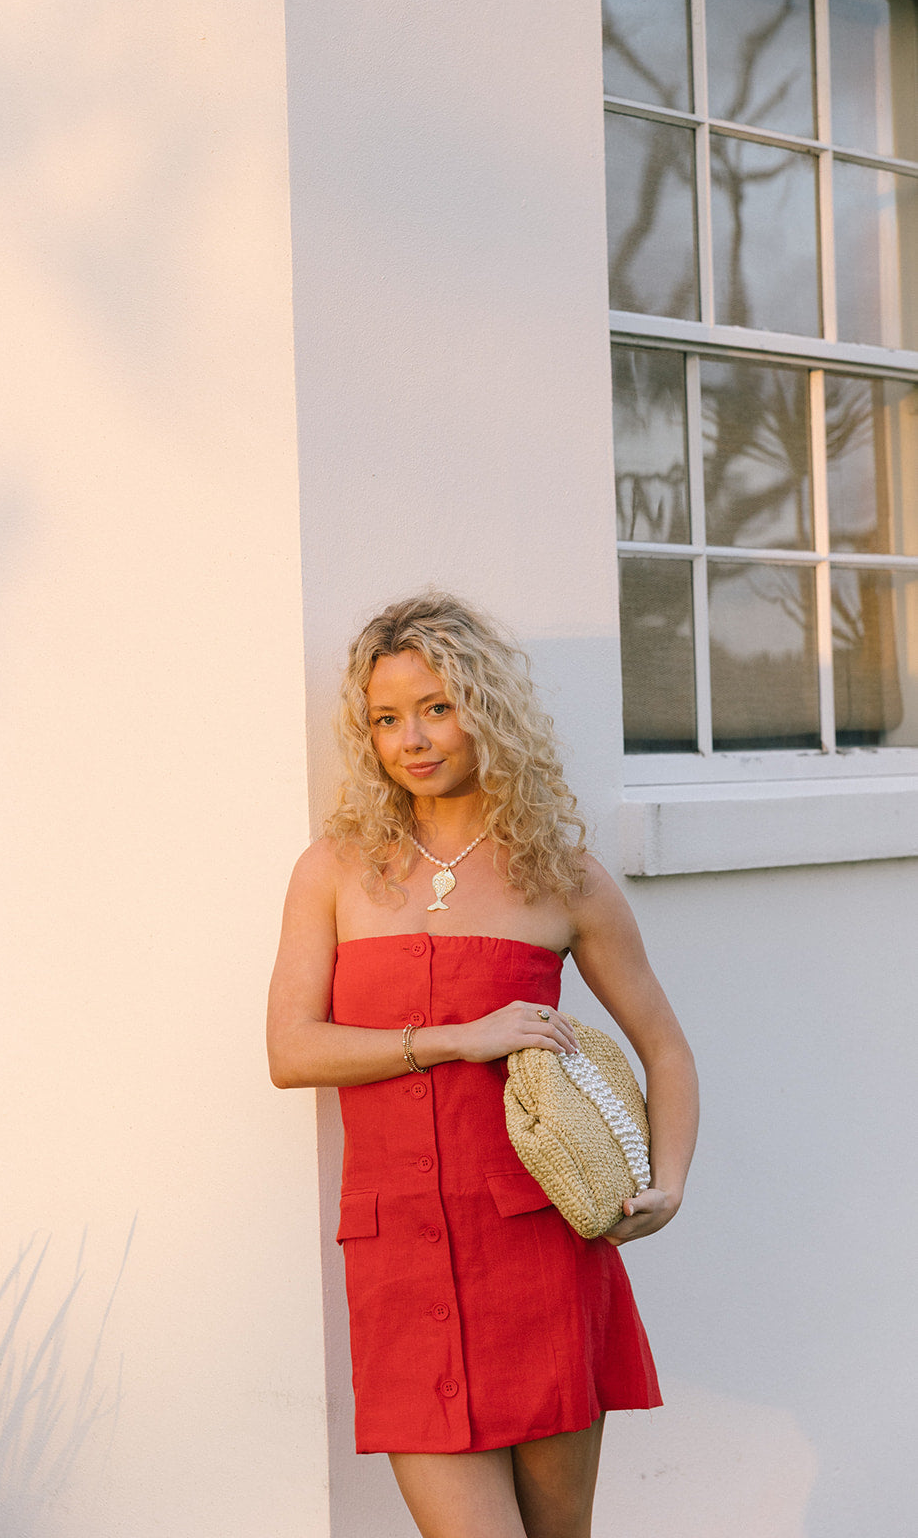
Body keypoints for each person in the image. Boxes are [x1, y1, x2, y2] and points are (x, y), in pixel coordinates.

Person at [267, 593, 698, 1538]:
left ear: (485, 710)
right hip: (399, 1255)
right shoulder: (334, 870)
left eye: (436, 706)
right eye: (386, 719)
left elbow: (661, 1044)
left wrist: (667, 1184)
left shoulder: (562, 874)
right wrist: (457, 1037)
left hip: (537, 1250)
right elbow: (290, 1051)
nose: (411, 739)